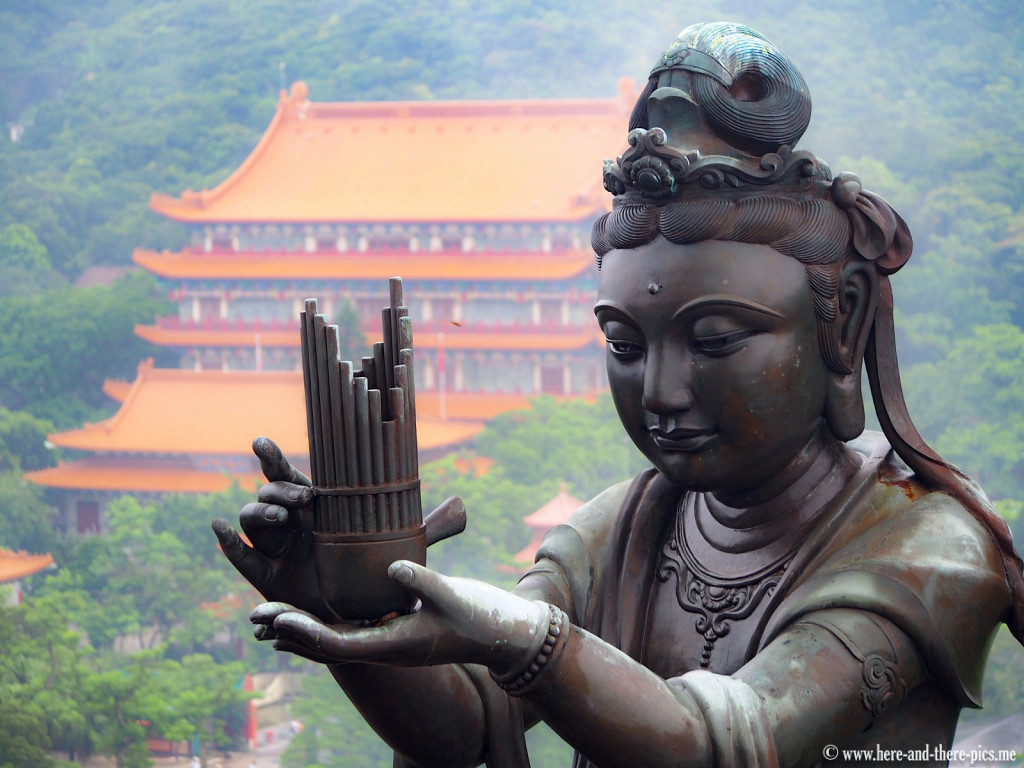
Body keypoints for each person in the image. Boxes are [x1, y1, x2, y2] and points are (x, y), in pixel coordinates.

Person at [212, 22, 1024, 768]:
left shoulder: (929, 552)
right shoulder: (623, 530)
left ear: (839, 323)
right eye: (626, 346)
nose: (662, 392)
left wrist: (525, 639)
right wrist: (354, 604)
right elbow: (471, 722)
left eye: (715, 341)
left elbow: (730, 743)